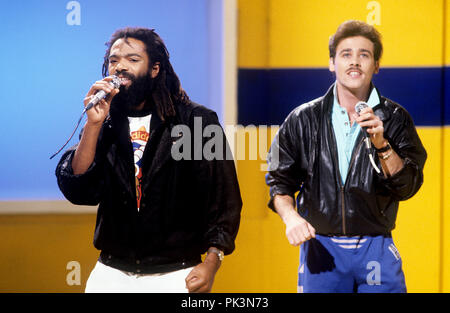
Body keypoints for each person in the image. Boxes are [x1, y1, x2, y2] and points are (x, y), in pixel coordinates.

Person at [55, 27, 242, 293]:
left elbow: (224, 199)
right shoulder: (105, 124)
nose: (120, 67)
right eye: (114, 59)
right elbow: (79, 189)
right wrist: (93, 125)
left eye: (132, 60)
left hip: (175, 273)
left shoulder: (195, 122)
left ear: (155, 69)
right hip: (110, 274)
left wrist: (212, 262)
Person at [265, 20, 427, 293]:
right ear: (332, 63)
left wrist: (382, 144)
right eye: (346, 54)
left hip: (376, 247)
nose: (355, 62)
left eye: (364, 55)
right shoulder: (303, 118)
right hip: (321, 249)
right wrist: (290, 217)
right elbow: (279, 181)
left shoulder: (396, 119)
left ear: (376, 65)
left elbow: (408, 186)